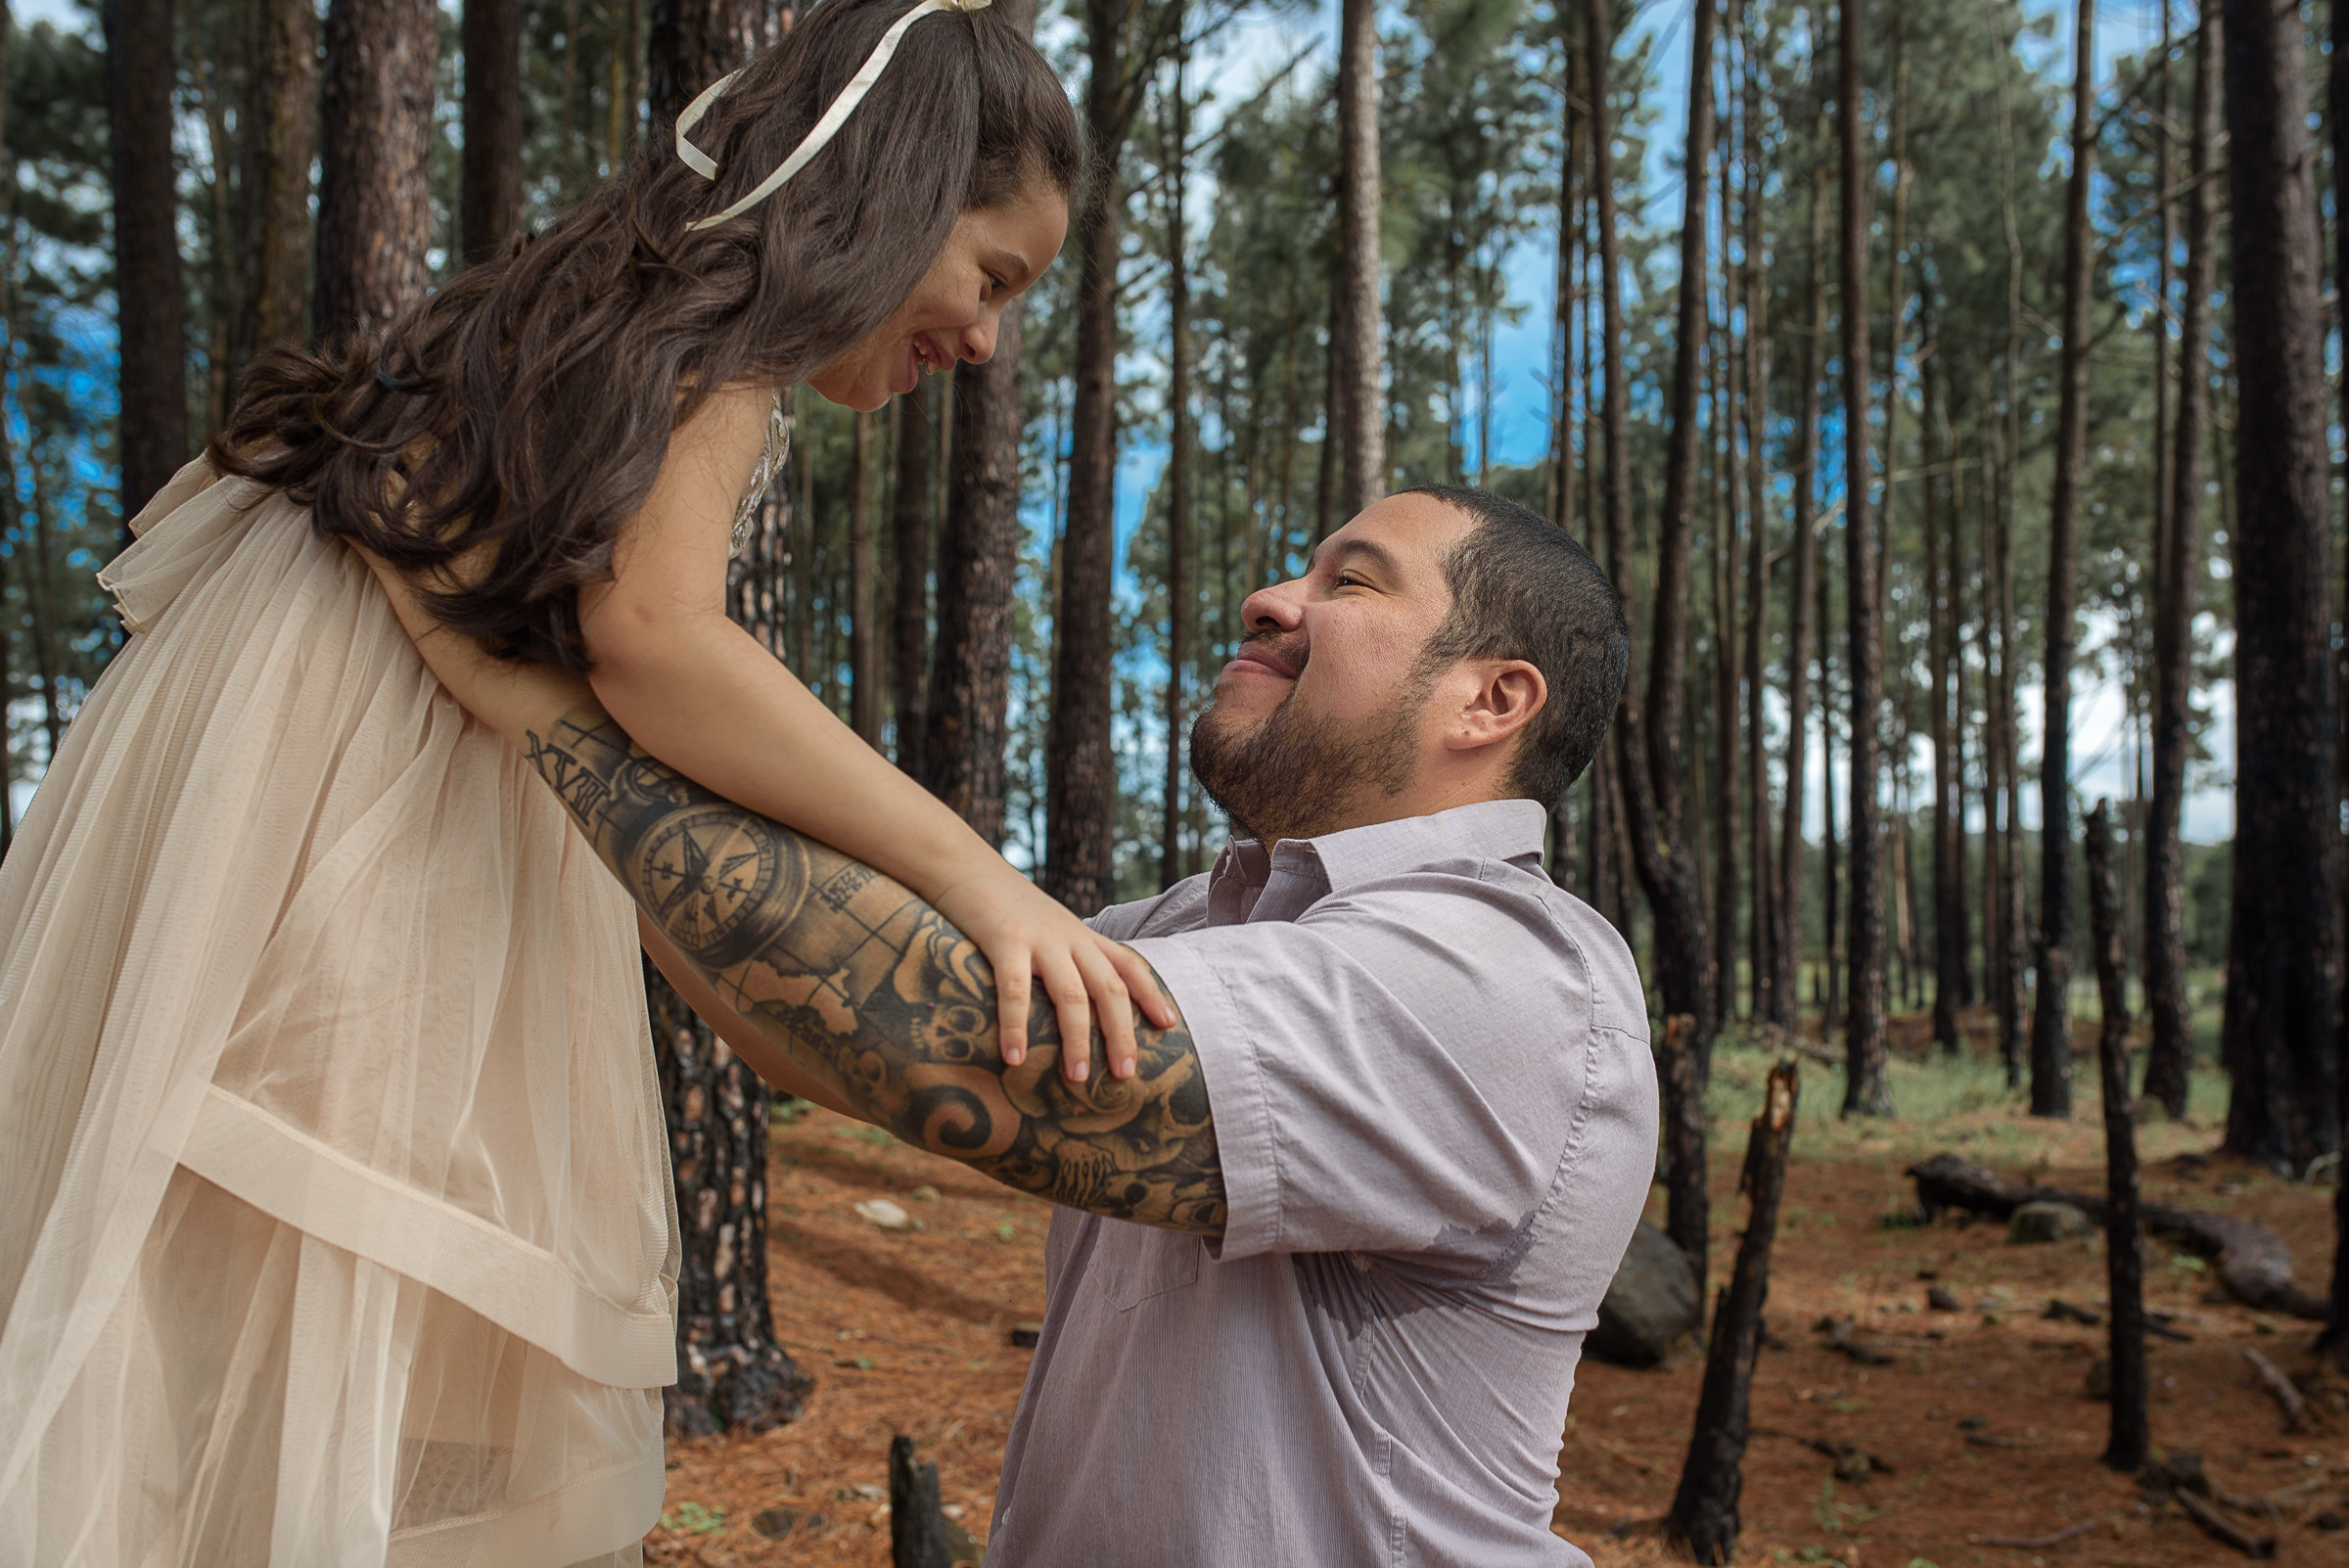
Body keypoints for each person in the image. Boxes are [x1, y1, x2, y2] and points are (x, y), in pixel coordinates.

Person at [0, 4, 1145, 1562]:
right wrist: (977, 875)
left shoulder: (609, 291)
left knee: (210, 1267)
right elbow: (659, 640)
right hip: (364, 791)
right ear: (887, 196)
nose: (989, 339)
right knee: (344, 1257)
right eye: (993, 275)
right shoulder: (721, 334)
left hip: (285, 739)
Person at [370, 484, 1659, 1567]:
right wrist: (564, 761)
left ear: (1490, 700)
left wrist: (541, 705)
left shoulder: (1507, 973)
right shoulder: (1189, 927)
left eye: (1354, 581)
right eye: (1297, 569)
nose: (1272, 600)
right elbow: (806, 1027)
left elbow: (918, 1030)